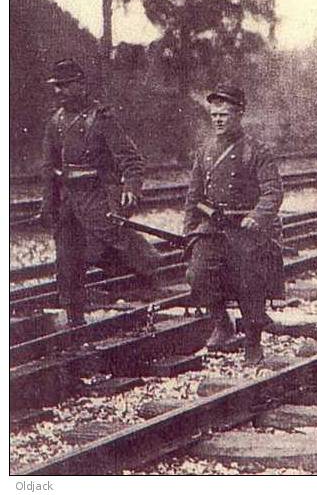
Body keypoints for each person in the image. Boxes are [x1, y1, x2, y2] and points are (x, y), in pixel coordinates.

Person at [39, 59, 160, 327]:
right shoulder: (55, 122)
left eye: (64, 86)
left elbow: (131, 159)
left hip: (98, 197)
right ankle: (74, 318)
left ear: (80, 86)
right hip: (68, 201)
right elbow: (49, 168)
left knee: (117, 247)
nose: (58, 91)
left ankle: (150, 282)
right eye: (56, 87)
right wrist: (49, 204)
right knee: (67, 258)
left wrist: (131, 187)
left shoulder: (101, 118)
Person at [183, 84, 284, 366]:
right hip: (212, 227)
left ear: (239, 115)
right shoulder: (204, 152)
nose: (218, 119)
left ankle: (253, 343)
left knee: (250, 283)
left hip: (246, 228)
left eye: (224, 114)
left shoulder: (256, 151)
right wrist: (189, 232)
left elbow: (273, 191)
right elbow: (194, 197)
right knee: (198, 274)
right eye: (214, 115)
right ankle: (223, 324)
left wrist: (257, 216)